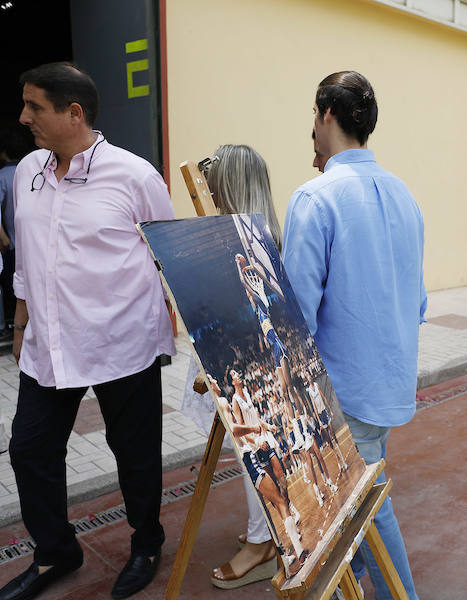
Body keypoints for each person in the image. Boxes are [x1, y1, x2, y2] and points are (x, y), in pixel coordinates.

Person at [1, 62, 175, 600]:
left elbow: (167, 252)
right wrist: (21, 316)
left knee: (136, 454)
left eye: (35, 106)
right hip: (49, 346)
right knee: (30, 451)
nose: (23, 116)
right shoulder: (30, 169)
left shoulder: (135, 176)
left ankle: (146, 542)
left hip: (123, 342)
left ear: (73, 114)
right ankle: (56, 552)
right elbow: (27, 251)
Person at [282, 71, 425, 600]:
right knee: (362, 493)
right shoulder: (403, 192)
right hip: (388, 379)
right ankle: (356, 584)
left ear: (324, 115)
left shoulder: (316, 196)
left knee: (363, 504)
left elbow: (297, 312)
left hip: (341, 388)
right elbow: (418, 295)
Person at [180, 144, 289, 589]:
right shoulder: (263, 236)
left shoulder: (249, 244)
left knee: (251, 453)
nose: (206, 189)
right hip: (238, 368)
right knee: (249, 453)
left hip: (248, 376)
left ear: (231, 185)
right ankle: (264, 531)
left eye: (214, 180)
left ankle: (263, 544)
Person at [0, 123, 32, 335]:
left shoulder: (2, 176)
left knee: (13, 288)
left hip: (12, 245)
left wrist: (4, 239)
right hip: (31, 244)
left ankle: (14, 325)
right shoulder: (33, 171)